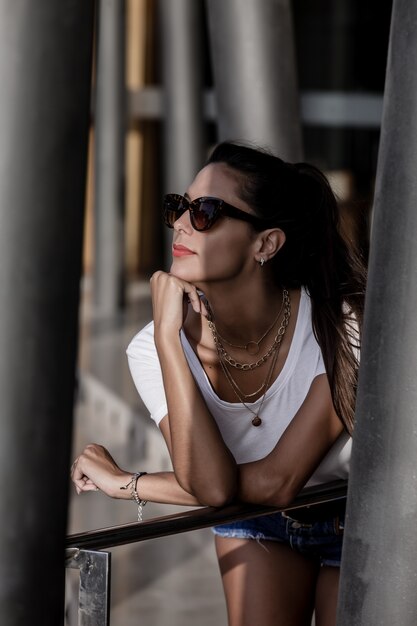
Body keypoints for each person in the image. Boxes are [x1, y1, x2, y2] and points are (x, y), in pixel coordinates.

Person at [71, 142, 366, 626]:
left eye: (206, 212)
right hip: (257, 521)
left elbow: (276, 481)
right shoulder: (151, 348)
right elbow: (210, 485)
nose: (182, 223)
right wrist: (169, 339)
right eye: (177, 207)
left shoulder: (342, 326)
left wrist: (128, 485)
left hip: (356, 511)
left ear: (265, 244)